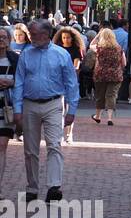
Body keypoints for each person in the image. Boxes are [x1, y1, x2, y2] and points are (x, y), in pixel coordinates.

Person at [12, 19, 79, 202]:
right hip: (30, 104)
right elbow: (19, 82)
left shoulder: (61, 54)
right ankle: (32, 188)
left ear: (46, 35)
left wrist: (72, 109)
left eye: (34, 34)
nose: (31, 38)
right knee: (30, 150)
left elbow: (71, 83)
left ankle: (54, 186)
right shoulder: (26, 54)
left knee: (54, 145)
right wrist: (18, 108)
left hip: (53, 103)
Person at [54, 27, 84, 144]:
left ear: (72, 38)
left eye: (68, 37)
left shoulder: (75, 49)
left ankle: (69, 133)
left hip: (71, 81)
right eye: (64, 38)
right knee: (59, 108)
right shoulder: (57, 49)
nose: (66, 40)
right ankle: (60, 133)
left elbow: (76, 65)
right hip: (59, 81)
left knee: (70, 107)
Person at [90, 26, 125, 125]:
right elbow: (124, 63)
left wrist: (98, 35)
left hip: (100, 75)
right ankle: (109, 118)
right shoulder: (118, 48)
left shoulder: (99, 48)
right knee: (111, 95)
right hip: (115, 75)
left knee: (100, 95)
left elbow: (90, 45)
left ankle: (98, 116)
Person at [0, 28, 19, 188]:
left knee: (2, 145)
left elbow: (23, 81)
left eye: (4, 37)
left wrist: (11, 83)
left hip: (6, 106)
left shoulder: (15, 59)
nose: (1, 40)